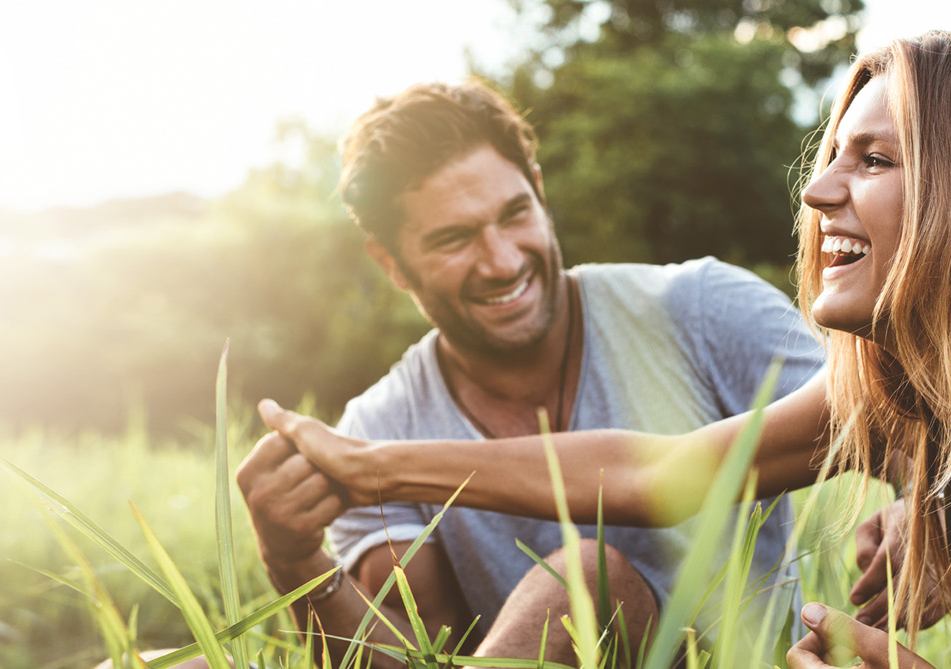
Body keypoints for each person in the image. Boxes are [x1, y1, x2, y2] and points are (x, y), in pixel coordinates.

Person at [255, 33, 951, 668]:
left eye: (871, 158)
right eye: (833, 154)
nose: (819, 187)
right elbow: (662, 474)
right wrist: (371, 469)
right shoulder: (912, 405)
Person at [230, 80, 823, 668]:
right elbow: (412, 656)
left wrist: (912, 504)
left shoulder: (700, 309)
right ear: (392, 263)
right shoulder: (380, 422)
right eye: (453, 239)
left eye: (514, 214)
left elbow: (888, 410)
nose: (502, 261)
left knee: (583, 582)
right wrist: (294, 561)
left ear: (539, 190)